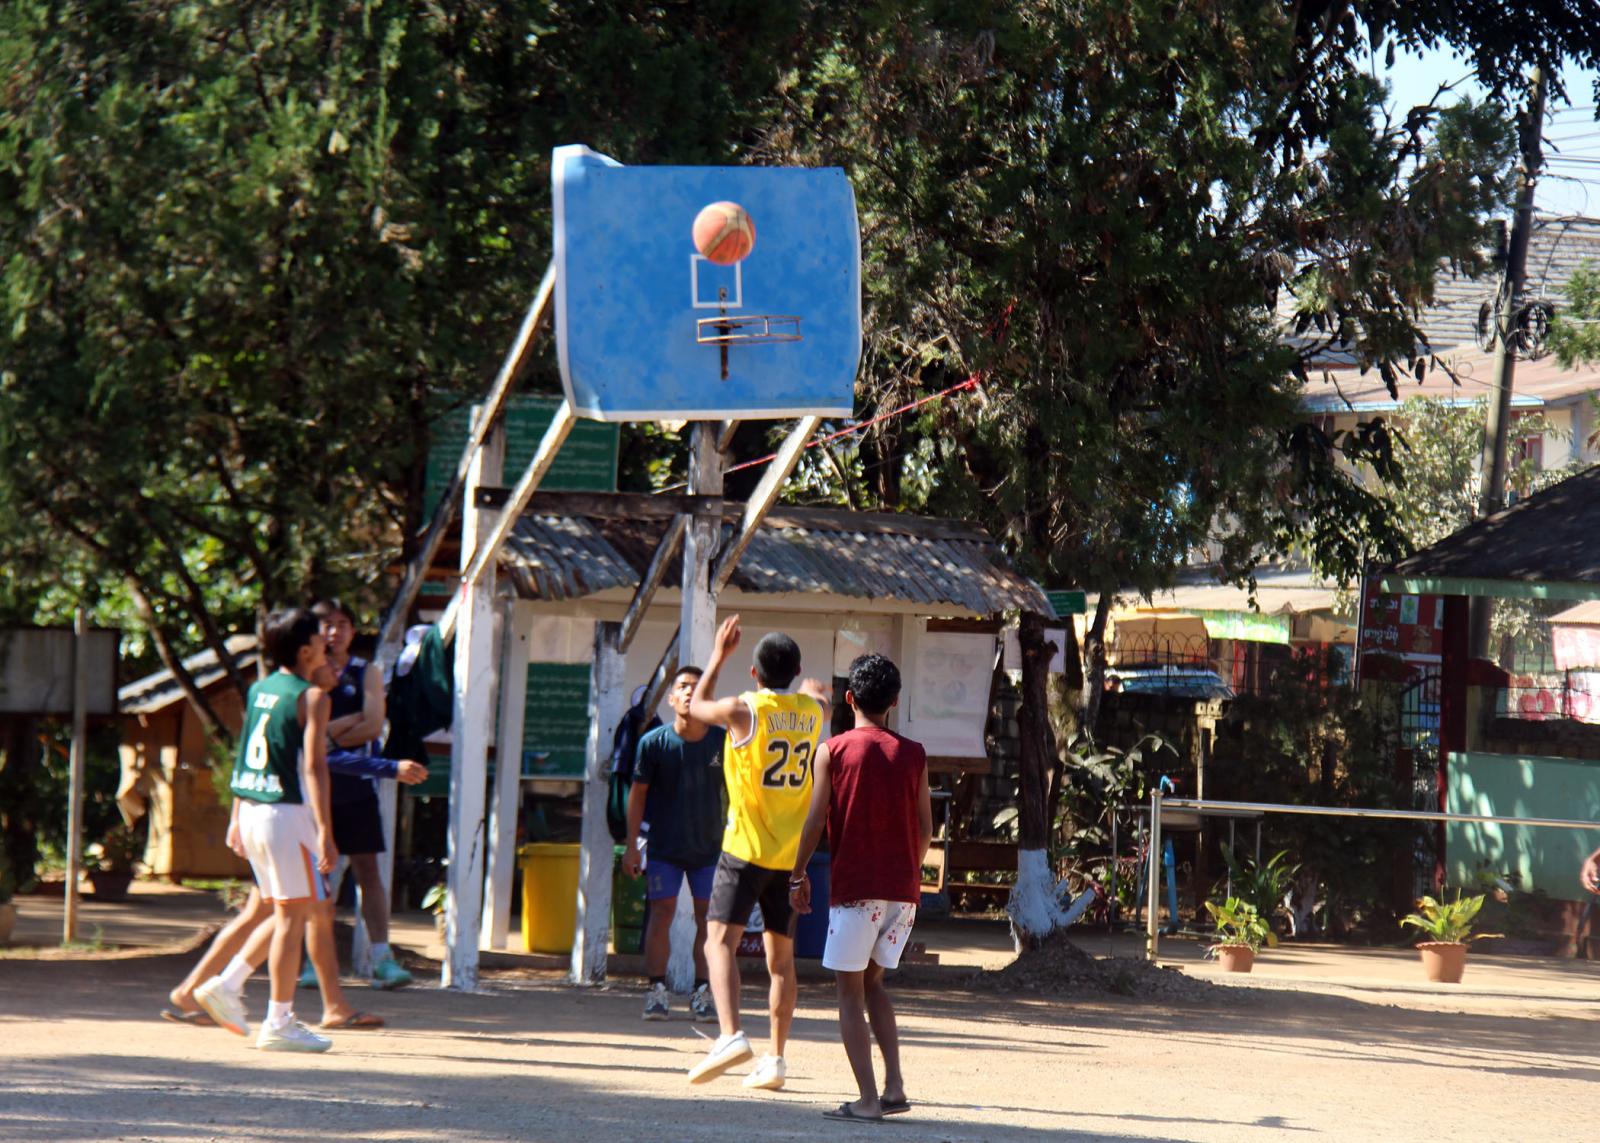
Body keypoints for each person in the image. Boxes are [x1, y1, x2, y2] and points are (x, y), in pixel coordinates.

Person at [685, 615, 830, 1091]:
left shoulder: (743, 709)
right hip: (790, 857)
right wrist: (812, 691)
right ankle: (776, 1059)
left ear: (753, 673)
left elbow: (697, 705)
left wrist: (718, 654)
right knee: (781, 961)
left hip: (746, 848)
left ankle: (730, 1034)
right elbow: (821, 699)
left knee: (717, 943)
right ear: (797, 670)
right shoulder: (813, 712)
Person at [790, 652, 931, 1123]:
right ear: (894, 701)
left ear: (848, 698)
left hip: (856, 890)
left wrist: (797, 874)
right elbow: (925, 829)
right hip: (903, 892)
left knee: (849, 993)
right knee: (873, 984)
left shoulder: (832, 751)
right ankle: (894, 1086)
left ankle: (868, 1100)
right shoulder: (914, 754)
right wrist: (906, 869)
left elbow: (815, 821)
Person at [191, 607, 337, 1052]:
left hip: (254, 811)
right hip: (286, 815)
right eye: (320, 637)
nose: (327, 642)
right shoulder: (312, 697)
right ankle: (279, 1020)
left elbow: (245, 756)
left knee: (290, 911)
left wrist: (236, 815)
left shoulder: (260, 688)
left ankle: (228, 984)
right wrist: (326, 830)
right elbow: (314, 767)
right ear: (306, 650)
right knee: (294, 918)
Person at [297, 599, 426, 990]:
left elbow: (373, 726)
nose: (335, 632)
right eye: (327, 625)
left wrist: (327, 736)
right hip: (313, 792)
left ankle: (382, 959)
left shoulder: (366, 671)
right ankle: (313, 960)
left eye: (342, 624)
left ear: (353, 631)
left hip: (357, 789)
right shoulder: (307, 674)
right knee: (321, 877)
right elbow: (305, 739)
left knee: (368, 871)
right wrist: (339, 731)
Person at [621, 666, 725, 1023]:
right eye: (682, 686)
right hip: (664, 847)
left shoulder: (723, 742)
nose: (689, 692)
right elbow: (637, 795)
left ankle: (702, 992)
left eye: (696, 687)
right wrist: (632, 846)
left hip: (709, 849)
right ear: (670, 697)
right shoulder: (653, 743)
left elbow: (740, 793)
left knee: (708, 920)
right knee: (662, 913)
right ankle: (656, 991)